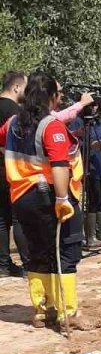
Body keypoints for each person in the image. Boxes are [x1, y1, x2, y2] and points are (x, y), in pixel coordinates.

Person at [0, 72, 95, 328]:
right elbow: (59, 165)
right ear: (51, 97)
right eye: (59, 94)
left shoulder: (12, 124)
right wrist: (63, 198)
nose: (60, 98)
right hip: (49, 196)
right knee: (66, 251)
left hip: (21, 197)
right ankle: (68, 313)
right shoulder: (51, 126)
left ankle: (42, 310)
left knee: (37, 252)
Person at [0, 70, 26, 277]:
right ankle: (29, 263)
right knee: (18, 218)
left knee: (1, 219)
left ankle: (3, 264)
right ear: (16, 87)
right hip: (11, 170)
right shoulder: (14, 110)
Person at [81, 113, 101, 247]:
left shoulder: (99, 122)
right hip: (91, 167)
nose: (95, 107)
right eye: (92, 104)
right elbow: (76, 142)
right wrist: (90, 146)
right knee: (93, 200)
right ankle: (90, 236)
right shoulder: (80, 121)